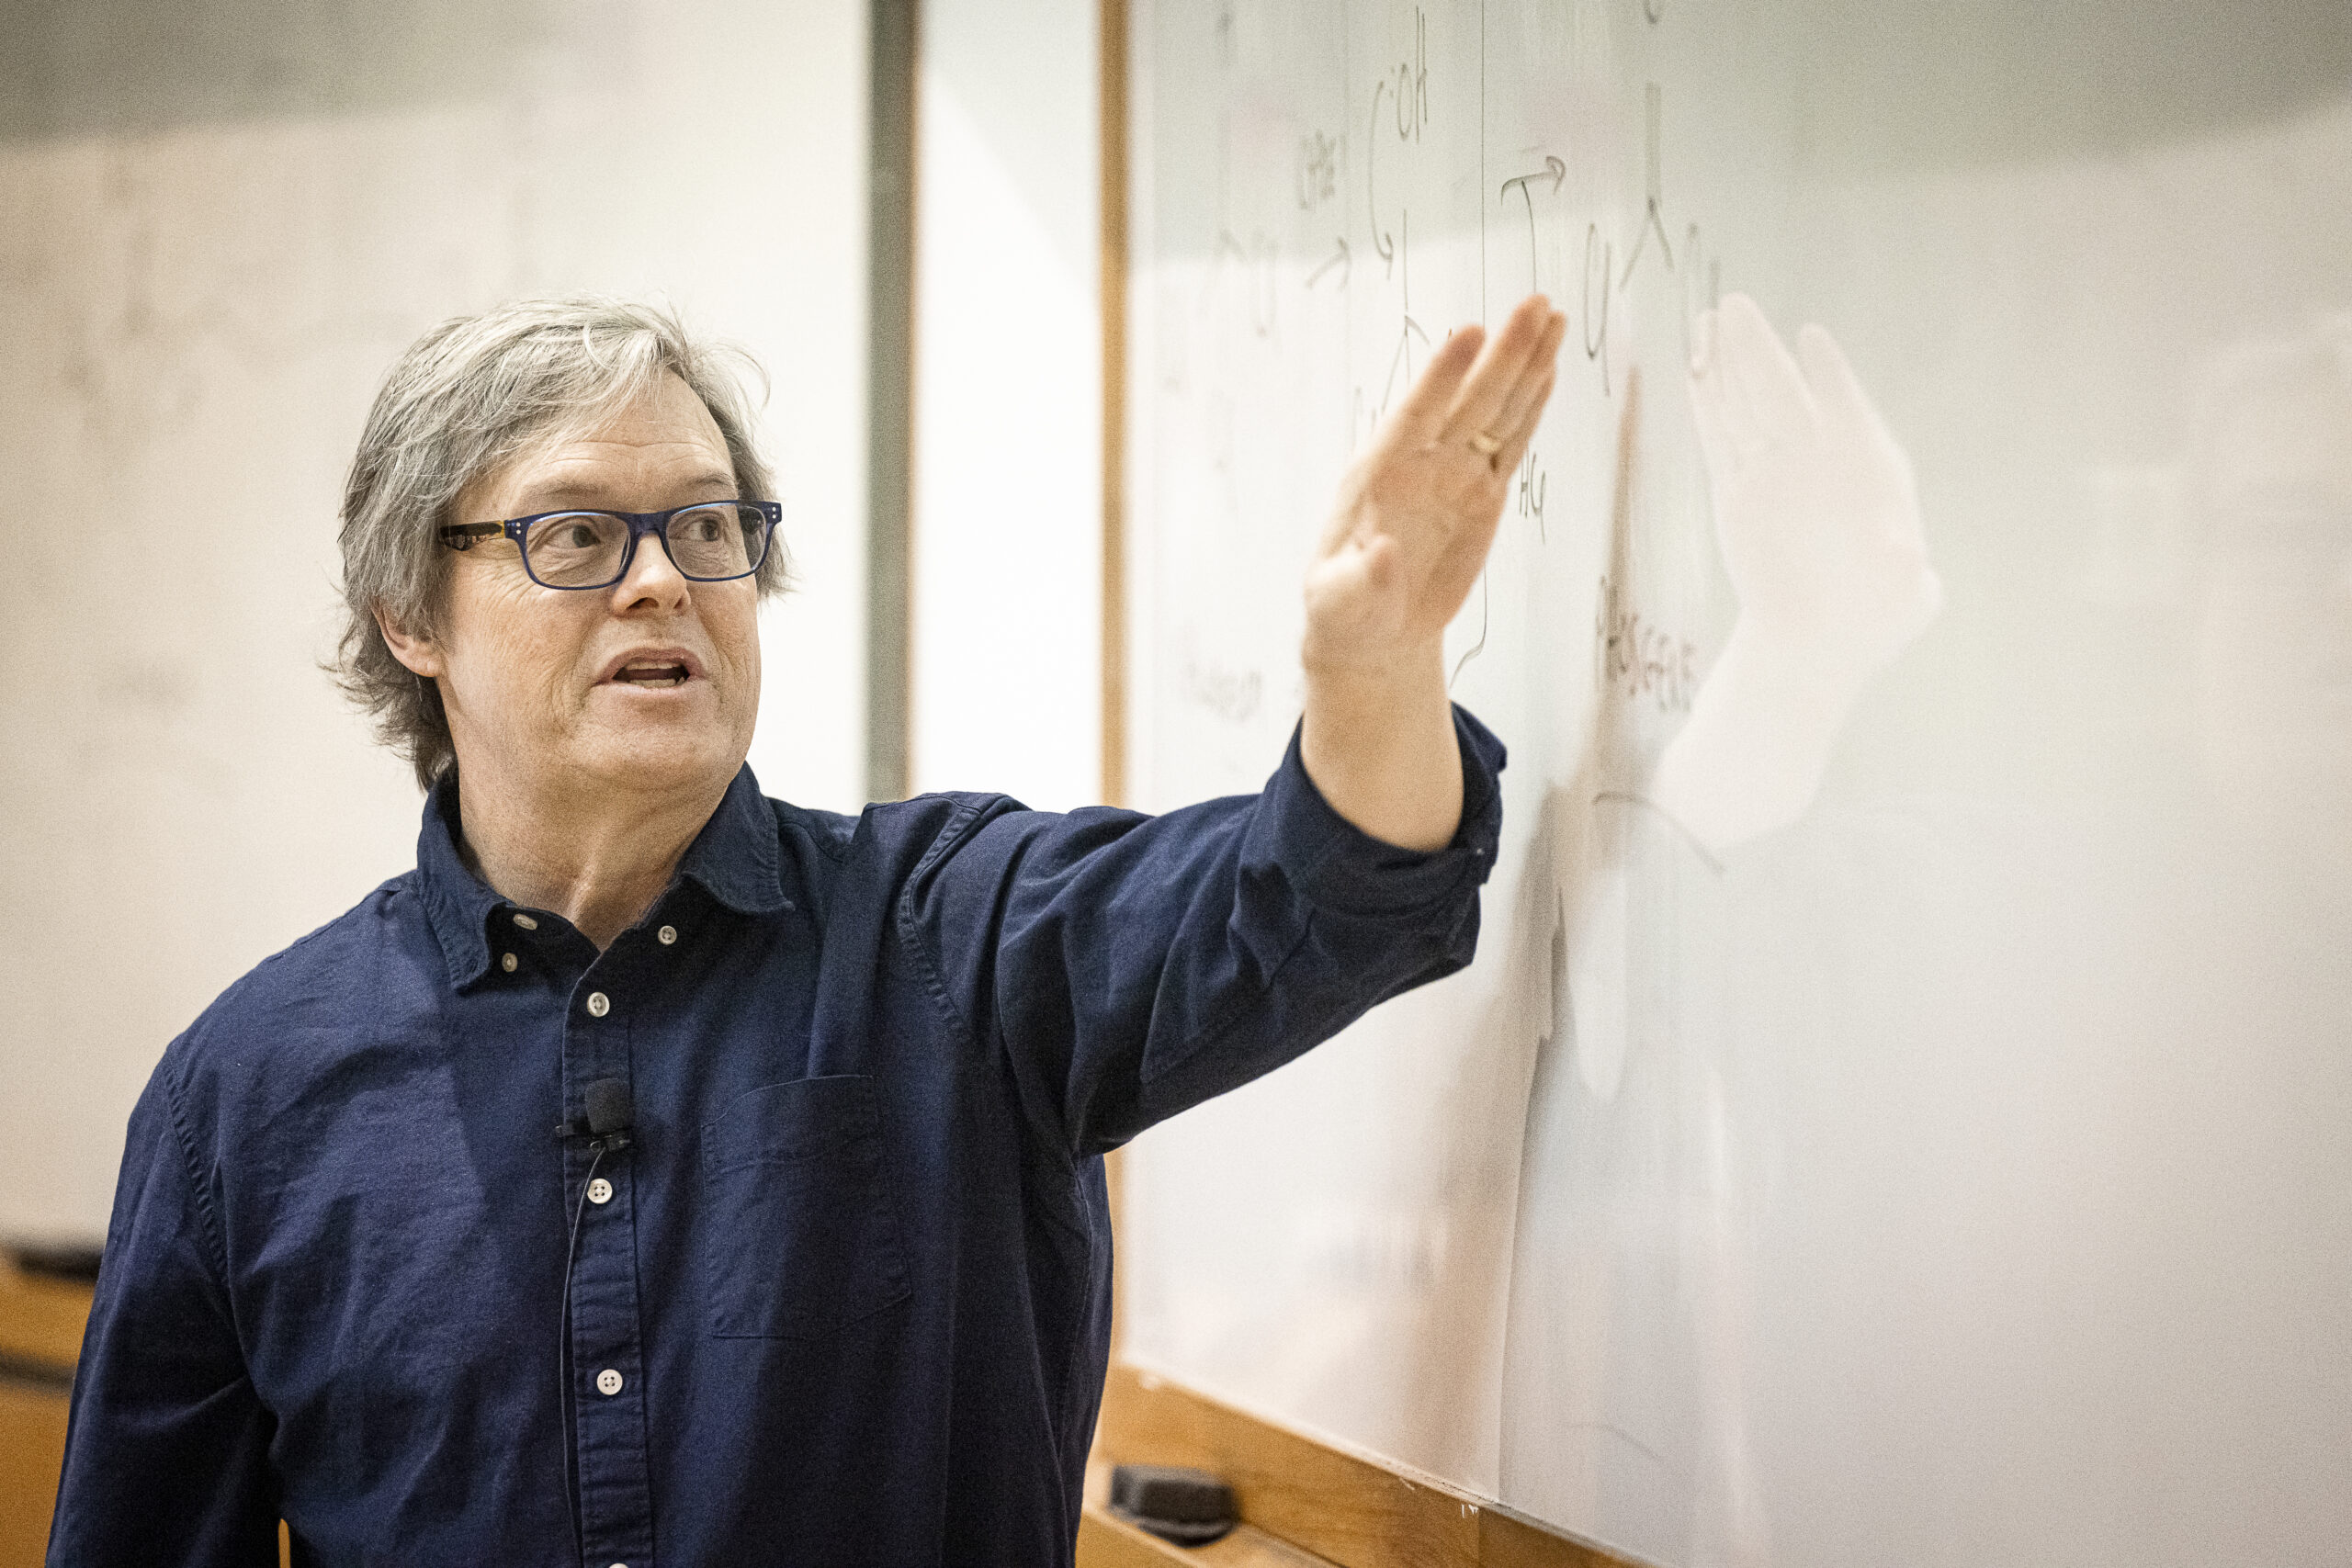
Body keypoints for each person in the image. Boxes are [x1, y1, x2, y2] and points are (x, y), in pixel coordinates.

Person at [49, 290, 1565, 1566]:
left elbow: (1315, 898)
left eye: (705, 528)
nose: (661, 581)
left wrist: (1373, 671)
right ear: (411, 614)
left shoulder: (951, 934)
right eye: (576, 537)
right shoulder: (241, 1095)